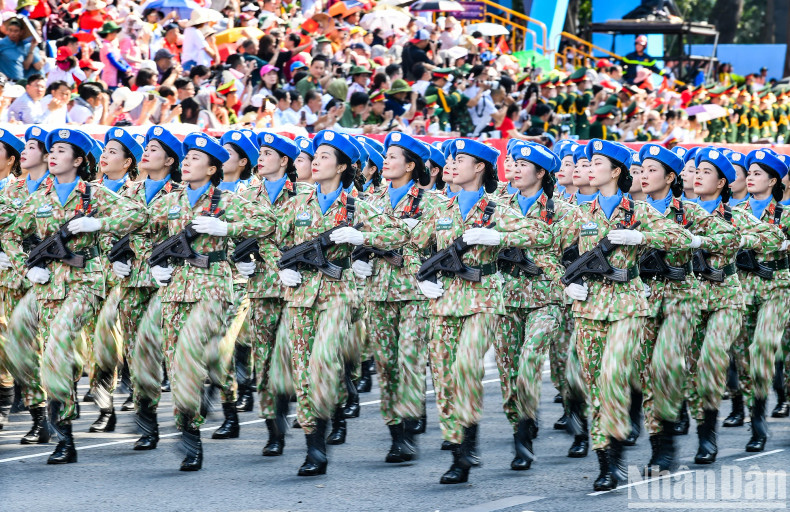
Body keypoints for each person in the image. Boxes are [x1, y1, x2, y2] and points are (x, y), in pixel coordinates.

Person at [554, 139, 697, 491]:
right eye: (587, 163)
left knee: (616, 376)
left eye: (597, 163)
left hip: (628, 305)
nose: (589, 168)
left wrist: (641, 236)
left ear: (616, 172)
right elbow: (549, 250)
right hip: (589, 307)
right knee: (595, 384)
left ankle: (660, 446)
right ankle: (609, 460)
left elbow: (681, 238)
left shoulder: (638, 210)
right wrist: (566, 283)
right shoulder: (577, 213)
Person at [410, 138, 553, 484]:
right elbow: (413, 246)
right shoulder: (441, 209)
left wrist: (500, 237)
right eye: (451, 159)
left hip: (483, 299)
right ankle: (460, 448)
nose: (452, 164)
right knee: (444, 376)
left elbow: (541, 234)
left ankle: (471, 445)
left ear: (479, 168)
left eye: (460, 159)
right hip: (444, 301)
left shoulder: (497, 209)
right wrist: (421, 279)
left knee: (465, 368)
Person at [2, 128, 145, 465]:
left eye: (62, 151)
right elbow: (11, 234)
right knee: (55, 356)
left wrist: (100, 224)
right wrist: (26, 267)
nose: (53, 155)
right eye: (51, 150)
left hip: (86, 281)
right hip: (49, 285)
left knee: (59, 340)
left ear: (79, 160)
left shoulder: (94, 194)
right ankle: (64, 435)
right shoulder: (37, 199)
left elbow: (138, 216)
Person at [276, 129, 409, 476]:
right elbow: (271, 239)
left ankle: (326, 434)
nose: (316, 162)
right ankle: (314, 446)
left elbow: (399, 233)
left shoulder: (356, 206)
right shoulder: (296, 204)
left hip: (338, 294)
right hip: (301, 296)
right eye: (315, 156)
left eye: (324, 157)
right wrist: (280, 268)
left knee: (321, 361)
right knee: (303, 371)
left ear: (341, 167)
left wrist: (364, 237)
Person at [146, 132, 273, 471]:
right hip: (175, 289)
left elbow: (267, 222)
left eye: (196, 159)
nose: (187, 162)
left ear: (213, 168)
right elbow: (142, 231)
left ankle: (212, 404)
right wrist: (153, 263)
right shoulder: (169, 200)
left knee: (190, 354)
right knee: (177, 365)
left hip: (213, 287)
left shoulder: (226, 200)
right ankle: (190, 433)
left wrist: (227, 228)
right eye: (186, 158)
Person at [352, 132, 438, 463]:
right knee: (386, 365)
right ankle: (396, 431)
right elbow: (358, 237)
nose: (385, 162)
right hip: (377, 291)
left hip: (415, 291)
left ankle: (408, 431)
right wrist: (359, 255)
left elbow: (421, 240)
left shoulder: (431, 202)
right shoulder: (370, 201)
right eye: (385, 156)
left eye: (392, 157)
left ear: (410, 165)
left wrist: (371, 240)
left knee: (410, 360)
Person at [495, 141, 575, 471]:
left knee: (530, 360)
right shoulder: (497, 206)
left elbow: (576, 256)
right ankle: (521, 426)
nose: (515, 169)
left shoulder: (563, 212)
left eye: (523, 165)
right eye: (513, 163)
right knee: (508, 370)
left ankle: (536, 431)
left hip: (547, 297)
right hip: (505, 298)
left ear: (541, 173)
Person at [729, 149, 790, 453]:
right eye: (749, 173)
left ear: (773, 180)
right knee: (743, 356)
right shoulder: (733, 212)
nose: (750, 178)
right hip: (742, 287)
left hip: (776, 286)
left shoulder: (785, 213)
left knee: (764, 348)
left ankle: (764, 421)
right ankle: (756, 419)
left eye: (757, 174)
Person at [85, 128, 144, 433]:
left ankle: (139, 394)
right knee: (99, 342)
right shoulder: (87, 191)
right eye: (104, 151)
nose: (105, 156)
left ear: (128, 162)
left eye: (113, 152)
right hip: (91, 276)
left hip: (129, 278)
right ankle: (104, 407)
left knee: (131, 340)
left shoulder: (139, 193)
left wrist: (132, 256)